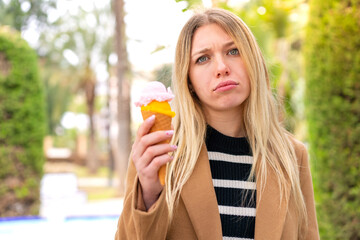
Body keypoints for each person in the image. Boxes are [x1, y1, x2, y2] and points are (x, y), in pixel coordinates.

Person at [115, 8, 319, 240]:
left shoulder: (292, 156)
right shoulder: (158, 153)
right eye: (203, 58)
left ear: (253, 61)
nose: (222, 67)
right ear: (188, 79)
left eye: (234, 51)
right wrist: (150, 193)